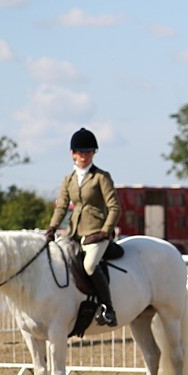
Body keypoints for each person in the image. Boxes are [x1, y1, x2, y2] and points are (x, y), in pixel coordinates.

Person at [45, 127, 121, 327]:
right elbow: (61, 206)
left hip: (97, 232)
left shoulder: (101, 177)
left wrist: (105, 231)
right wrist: (52, 228)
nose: (84, 156)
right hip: (74, 232)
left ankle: (108, 308)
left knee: (89, 265)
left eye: (88, 152)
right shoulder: (68, 180)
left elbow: (114, 207)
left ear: (93, 153)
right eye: (80, 152)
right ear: (73, 154)